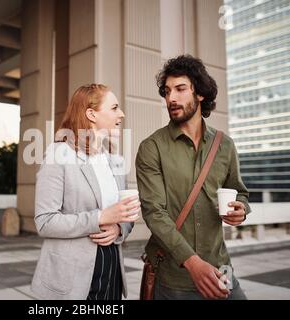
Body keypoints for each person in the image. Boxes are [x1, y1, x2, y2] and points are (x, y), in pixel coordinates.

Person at [135, 55, 251, 300]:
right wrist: (193, 263)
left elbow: (239, 191)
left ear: (200, 94)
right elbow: (154, 213)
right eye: (167, 91)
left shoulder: (225, 145)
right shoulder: (151, 148)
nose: (171, 98)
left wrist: (241, 209)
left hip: (221, 270)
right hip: (173, 280)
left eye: (180, 89)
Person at [31, 84, 140, 300]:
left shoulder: (114, 160)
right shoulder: (58, 155)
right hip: (73, 279)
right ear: (91, 114)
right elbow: (44, 221)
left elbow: (123, 214)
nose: (121, 114)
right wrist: (99, 218)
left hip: (112, 270)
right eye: (114, 108)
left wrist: (119, 229)